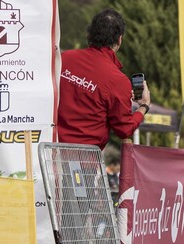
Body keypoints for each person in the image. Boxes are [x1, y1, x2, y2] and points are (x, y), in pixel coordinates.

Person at [56, 9, 149, 149]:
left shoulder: (64, 59)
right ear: (119, 39)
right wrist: (144, 106)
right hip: (86, 160)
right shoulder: (117, 80)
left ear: (89, 34)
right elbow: (124, 129)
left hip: (51, 152)